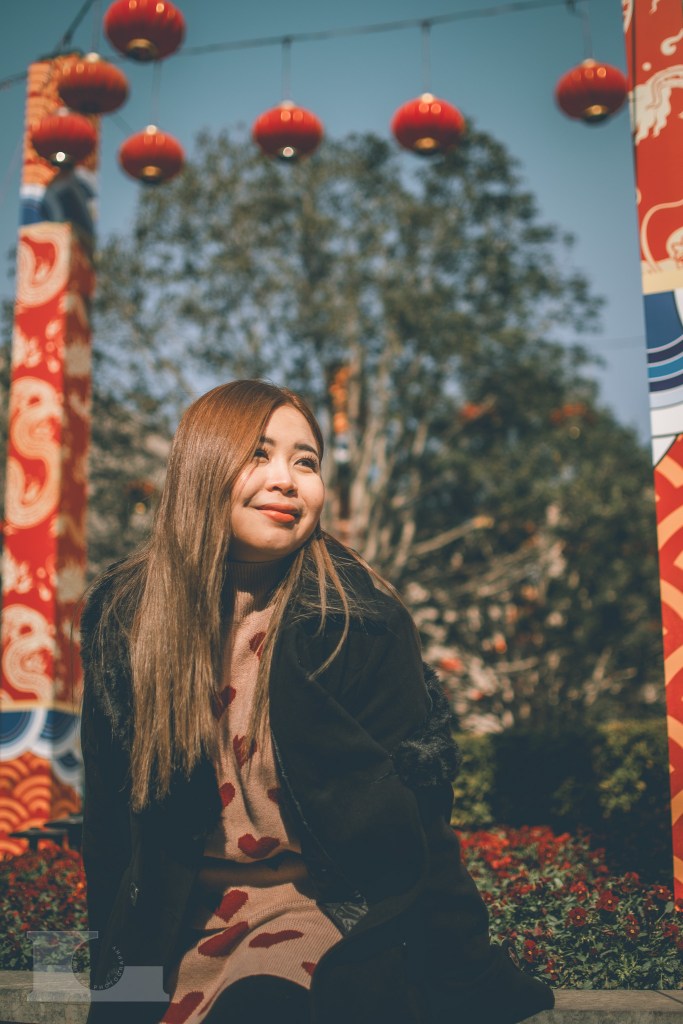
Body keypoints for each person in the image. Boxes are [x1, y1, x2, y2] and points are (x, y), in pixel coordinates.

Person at [79, 379, 555, 1024]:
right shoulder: (127, 616)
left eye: (306, 462)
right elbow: (110, 826)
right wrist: (111, 983)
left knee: (261, 1010)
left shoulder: (358, 621)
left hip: (316, 917)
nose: (287, 479)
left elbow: (418, 821)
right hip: (168, 925)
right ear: (200, 467)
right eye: (259, 454)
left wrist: (466, 971)